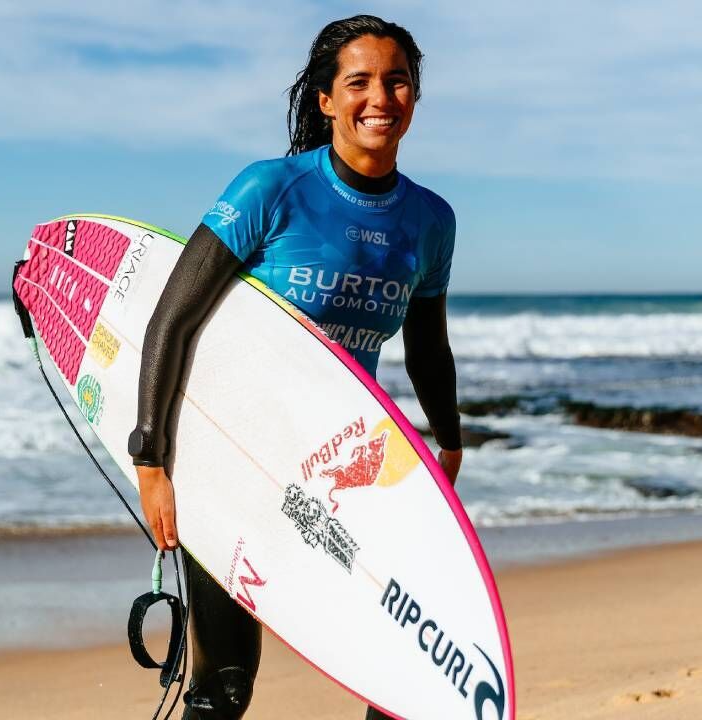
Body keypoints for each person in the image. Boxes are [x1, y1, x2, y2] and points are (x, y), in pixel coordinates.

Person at [127, 14, 463, 720]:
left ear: (416, 96)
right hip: (237, 461)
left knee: (406, 676)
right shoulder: (270, 189)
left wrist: (449, 437)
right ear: (326, 100)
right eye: (360, 81)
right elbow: (173, 319)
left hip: (346, 468)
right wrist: (151, 458)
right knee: (223, 687)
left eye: (397, 81)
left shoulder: (431, 220)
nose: (381, 97)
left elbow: (426, 345)